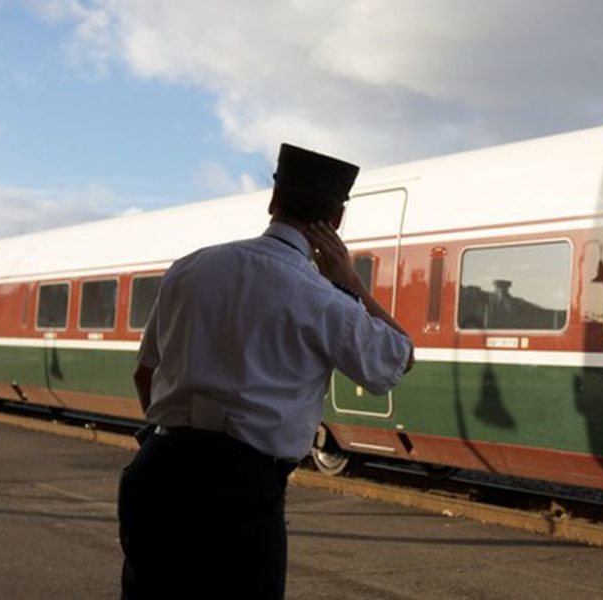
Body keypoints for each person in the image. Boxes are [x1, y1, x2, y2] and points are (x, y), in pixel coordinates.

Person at [117, 143, 414, 600]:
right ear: (335, 223)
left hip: (156, 469)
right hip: (242, 490)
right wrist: (350, 280)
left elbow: (145, 374)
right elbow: (398, 357)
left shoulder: (190, 267)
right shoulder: (324, 298)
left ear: (273, 202)